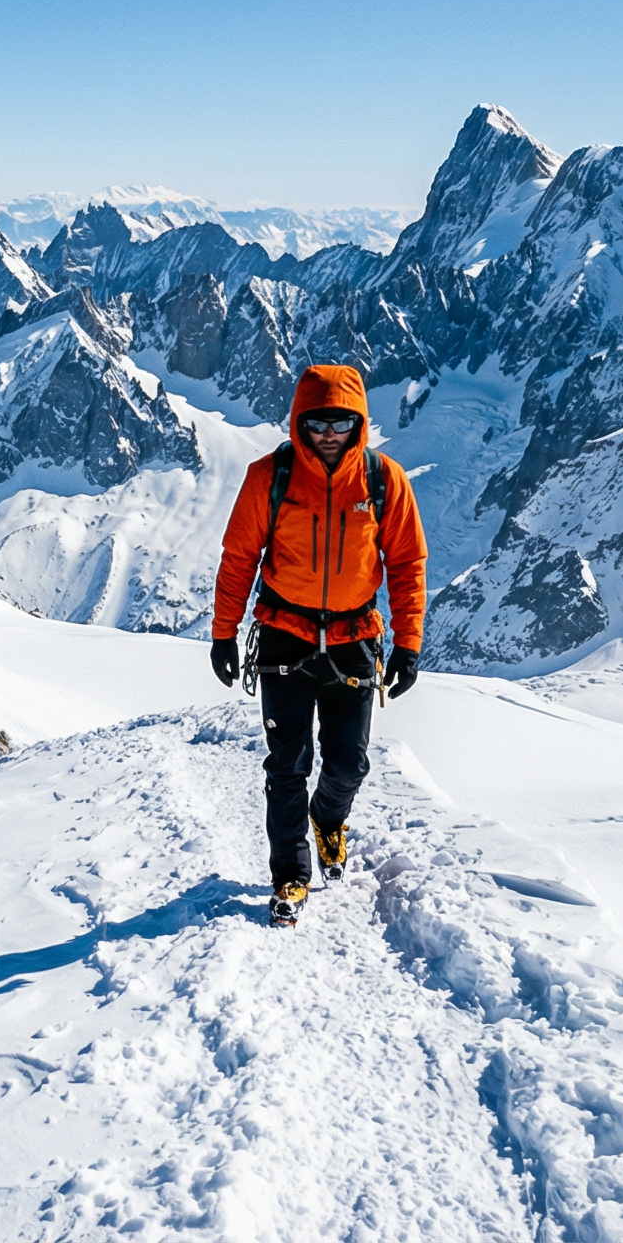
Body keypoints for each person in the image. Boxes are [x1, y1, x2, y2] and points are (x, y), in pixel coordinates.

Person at [208, 364, 428, 926]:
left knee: (349, 762)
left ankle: (328, 818)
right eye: (317, 422)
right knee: (287, 765)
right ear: (299, 421)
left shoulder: (383, 480)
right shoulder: (270, 477)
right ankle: (290, 876)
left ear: (358, 423)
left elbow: (406, 563)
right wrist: (223, 633)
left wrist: (408, 643)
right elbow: (239, 559)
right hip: (284, 635)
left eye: (340, 422)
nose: (328, 433)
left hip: (356, 638)